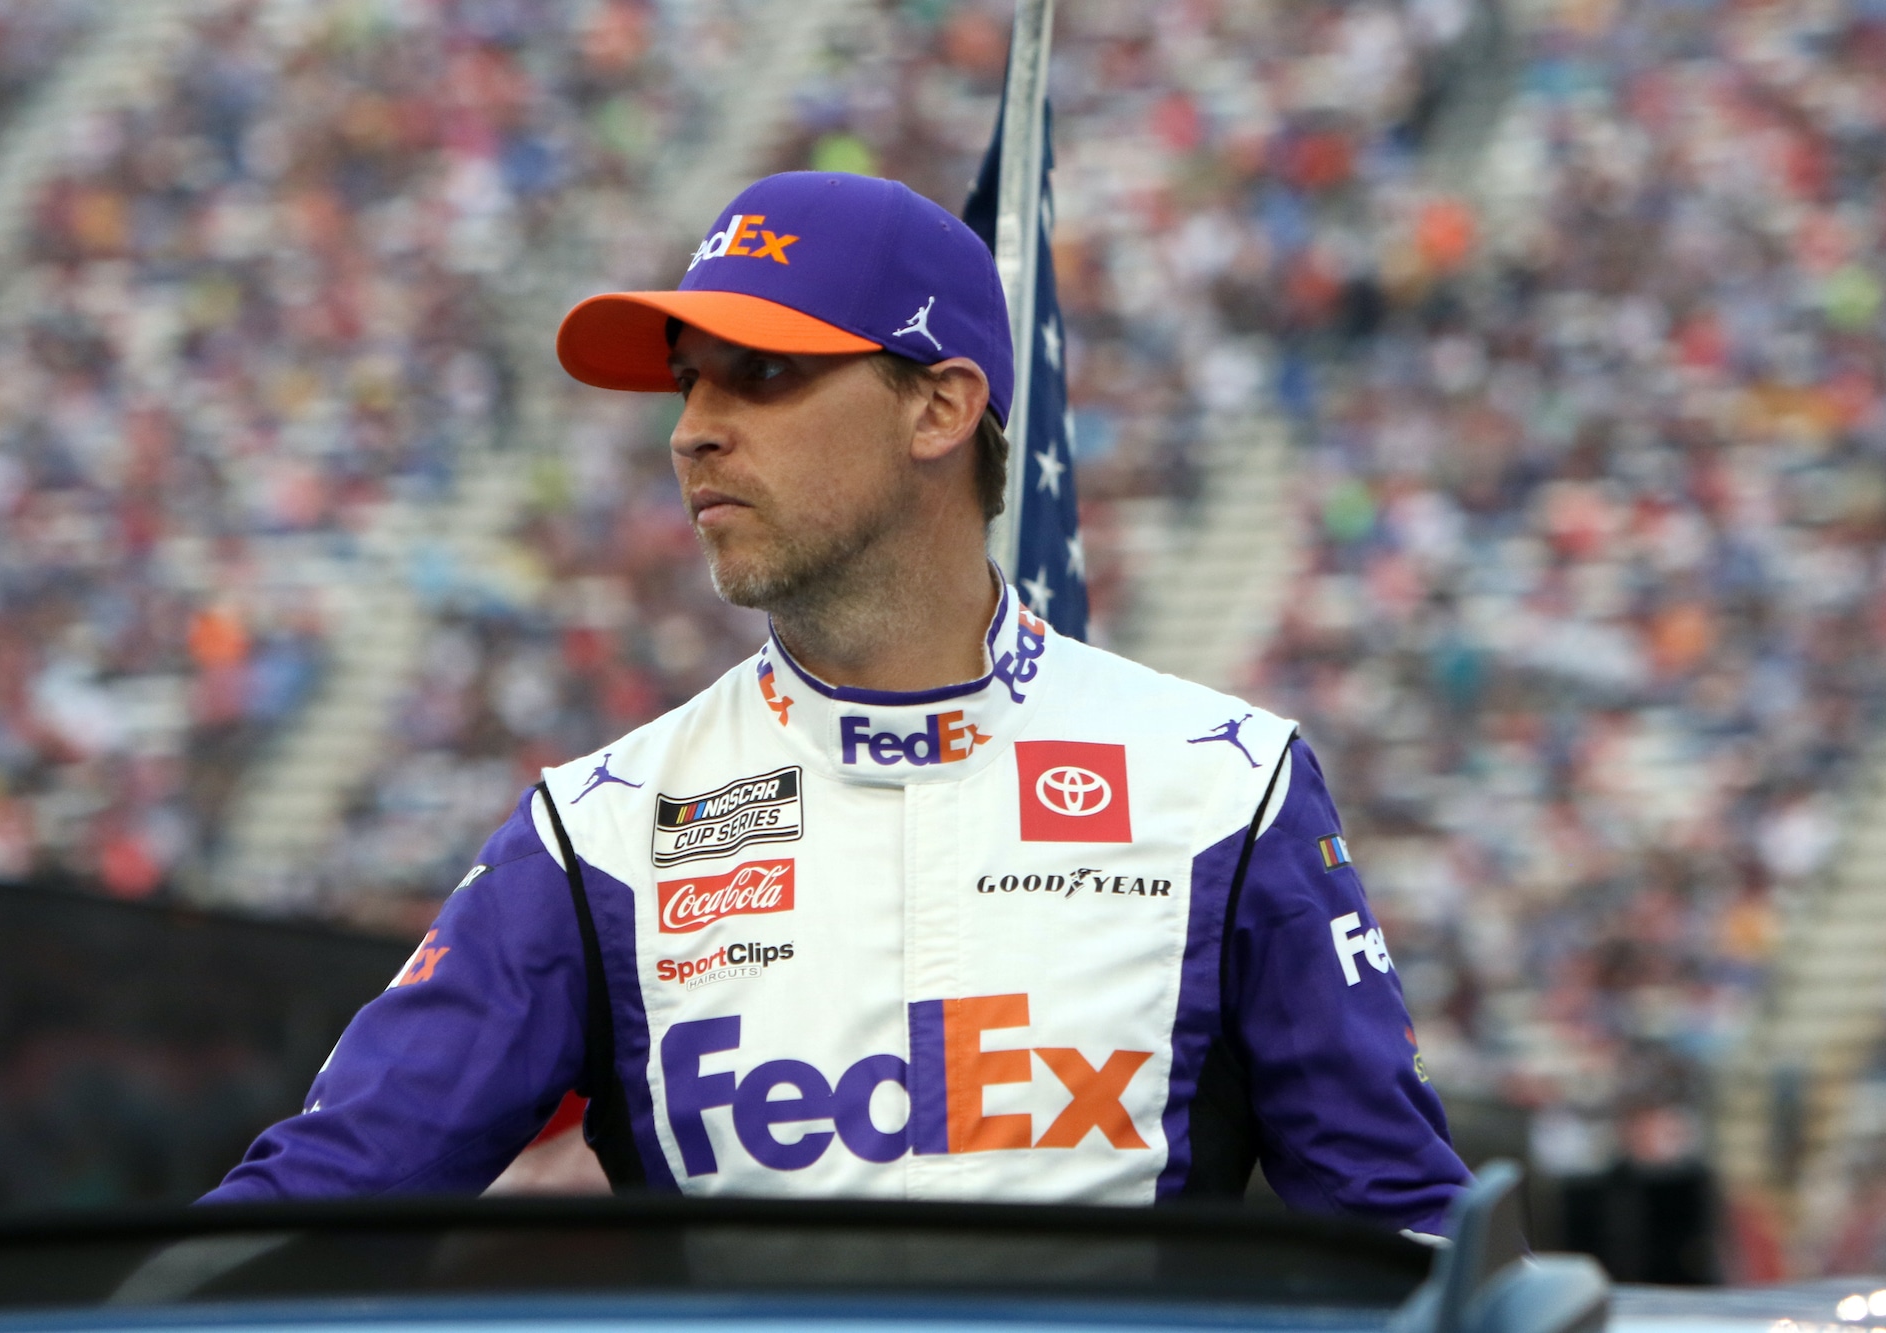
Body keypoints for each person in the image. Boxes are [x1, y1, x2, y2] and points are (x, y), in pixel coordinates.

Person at [204, 172, 1471, 1230]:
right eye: (685, 383)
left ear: (938, 406)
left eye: (756, 375)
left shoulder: (1221, 785)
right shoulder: (594, 832)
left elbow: (1399, 1228)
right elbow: (321, 1201)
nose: (688, 433)